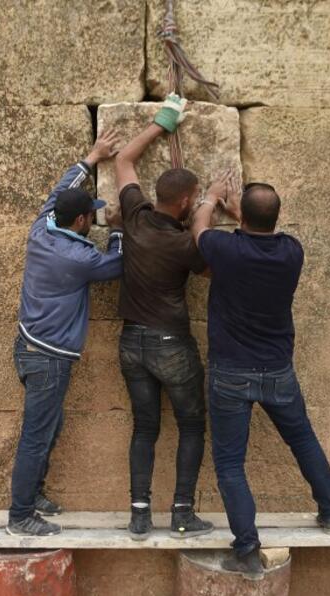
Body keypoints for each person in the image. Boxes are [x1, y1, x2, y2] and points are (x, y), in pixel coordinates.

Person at [191, 172, 330, 579]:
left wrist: (211, 197)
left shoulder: (225, 248)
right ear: (277, 216)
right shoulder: (292, 252)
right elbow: (258, 228)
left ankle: (246, 549)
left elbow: (199, 229)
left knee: (230, 464)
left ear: (242, 217)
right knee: (303, 439)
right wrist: (241, 211)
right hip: (277, 370)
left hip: (231, 373)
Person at [7, 129, 124, 536]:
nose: (93, 219)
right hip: (49, 357)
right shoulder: (79, 257)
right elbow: (117, 264)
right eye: (92, 215)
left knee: (49, 427)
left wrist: (92, 157)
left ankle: (34, 493)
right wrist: (119, 230)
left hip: (31, 348)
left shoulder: (41, 228)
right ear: (80, 221)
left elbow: (61, 189)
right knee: (36, 436)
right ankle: (20, 516)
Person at [113, 94, 213, 540]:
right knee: (191, 425)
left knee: (145, 428)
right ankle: (182, 514)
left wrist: (163, 121)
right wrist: (209, 208)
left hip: (131, 344)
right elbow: (210, 266)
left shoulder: (134, 216)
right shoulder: (184, 245)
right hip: (171, 344)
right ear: (186, 200)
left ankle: (139, 516)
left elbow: (124, 159)